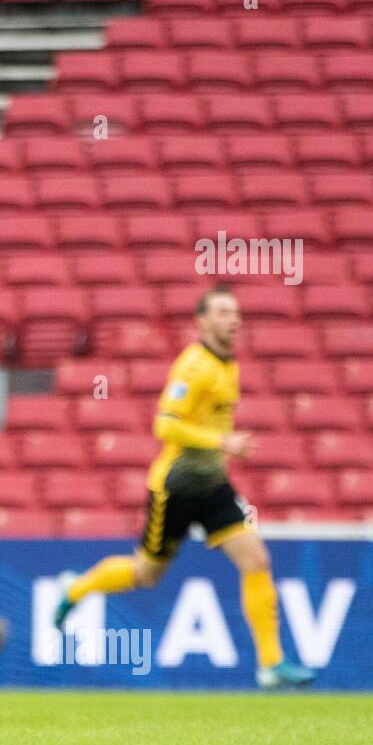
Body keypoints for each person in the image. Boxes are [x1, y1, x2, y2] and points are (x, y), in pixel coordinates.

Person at [52, 285, 315, 688]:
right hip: (174, 487)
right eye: (224, 312)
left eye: (236, 313)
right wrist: (222, 442)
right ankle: (77, 587)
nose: (234, 320)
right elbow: (165, 424)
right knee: (145, 575)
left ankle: (270, 663)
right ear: (203, 321)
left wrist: (221, 450)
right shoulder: (194, 367)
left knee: (257, 561)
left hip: (212, 486)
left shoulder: (230, 365)